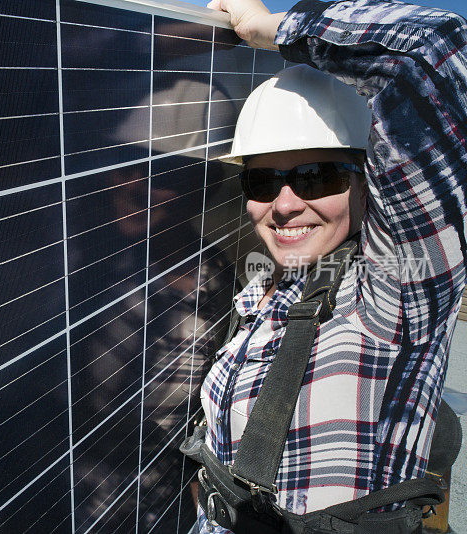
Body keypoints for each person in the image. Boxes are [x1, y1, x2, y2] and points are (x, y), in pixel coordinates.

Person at [187, 0, 467, 532]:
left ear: (367, 182)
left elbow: (432, 52)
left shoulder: (394, 293)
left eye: (316, 175)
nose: (285, 203)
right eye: (262, 182)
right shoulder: (265, 291)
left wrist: (271, 29)